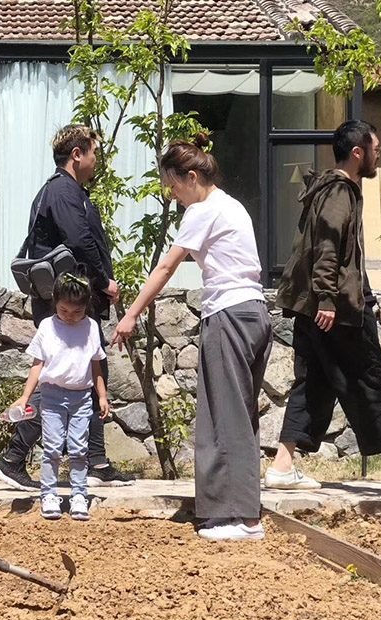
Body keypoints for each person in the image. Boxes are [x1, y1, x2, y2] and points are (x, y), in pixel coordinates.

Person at [112, 134, 272, 542]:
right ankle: (241, 510)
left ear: (192, 176)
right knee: (241, 415)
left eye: (173, 186)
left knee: (224, 416)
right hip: (254, 313)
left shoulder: (203, 210)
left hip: (229, 315)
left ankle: (238, 517)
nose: (173, 195)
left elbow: (166, 268)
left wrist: (131, 313)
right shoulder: (232, 206)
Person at [266, 120, 381, 493]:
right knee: (377, 380)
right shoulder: (340, 191)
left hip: (319, 308)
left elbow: (338, 255)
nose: (379, 155)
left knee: (314, 384)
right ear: (358, 152)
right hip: (335, 311)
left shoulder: (329, 189)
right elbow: (328, 249)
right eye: (375, 149)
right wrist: (328, 299)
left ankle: (281, 466)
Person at [0, 124, 132, 491]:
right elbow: (81, 243)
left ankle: (96, 461)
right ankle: (13, 458)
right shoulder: (63, 193)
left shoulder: (64, 191)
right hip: (68, 307)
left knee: (88, 372)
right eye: (94, 152)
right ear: (77, 154)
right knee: (61, 379)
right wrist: (104, 282)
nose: (97, 160)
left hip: (72, 304)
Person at [12, 273, 109, 520]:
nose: (69, 316)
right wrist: (25, 397)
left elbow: (96, 365)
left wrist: (102, 396)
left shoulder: (91, 327)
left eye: (76, 312)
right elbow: (37, 364)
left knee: (79, 448)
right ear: (55, 301)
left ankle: (79, 494)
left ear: (86, 307)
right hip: (52, 397)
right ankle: (49, 494)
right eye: (64, 310)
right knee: (53, 448)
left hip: (81, 398)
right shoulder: (47, 326)